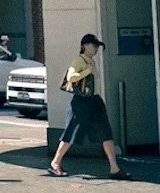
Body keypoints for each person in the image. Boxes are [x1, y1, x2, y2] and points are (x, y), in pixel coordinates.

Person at [49, 34, 130, 179]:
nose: (96, 49)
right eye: (94, 45)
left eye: (97, 46)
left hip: (95, 101)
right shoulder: (79, 61)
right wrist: (86, 71)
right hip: (81, 102)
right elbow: (71, 77)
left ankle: (114, 168)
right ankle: (55, 163)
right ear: (85, 46)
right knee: (71, 132)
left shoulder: (91, 61)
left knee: (106, 132)